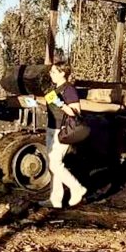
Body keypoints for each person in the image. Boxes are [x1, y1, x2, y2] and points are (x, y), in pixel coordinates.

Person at [43, 61, 87, 208]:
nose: (51, 74)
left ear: (63, 73)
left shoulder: (69, 90)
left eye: (54, 72)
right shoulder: (55, 88)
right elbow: (52, 107)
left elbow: (76, 112)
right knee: (53, 165)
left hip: (61, 131)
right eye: (51, 72)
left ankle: (77, 188)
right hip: (51, 128)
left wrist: (61, 104)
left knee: (56, 165)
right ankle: (55, 200)